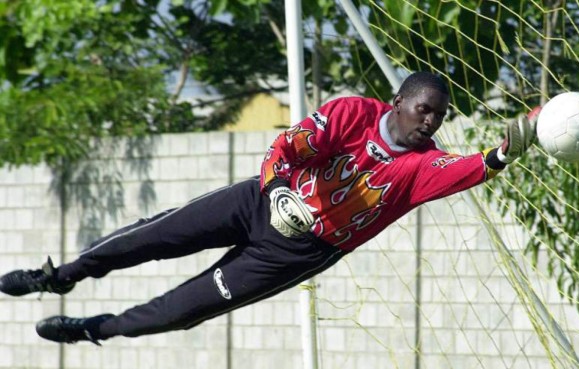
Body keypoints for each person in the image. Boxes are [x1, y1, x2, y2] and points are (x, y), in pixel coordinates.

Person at [0, 71, 539, 345]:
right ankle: (58, 276)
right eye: (425, 110)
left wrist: (504, 151)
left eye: (439, 118)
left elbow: (465, 169)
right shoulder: (352, 112)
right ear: (398, 101)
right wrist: (279, 188)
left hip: (297, 251)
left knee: (182, 311)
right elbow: (287, 146)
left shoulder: (420, 166)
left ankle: (94, 329)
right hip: (259, 200)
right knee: (143, 239)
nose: (431, 123)